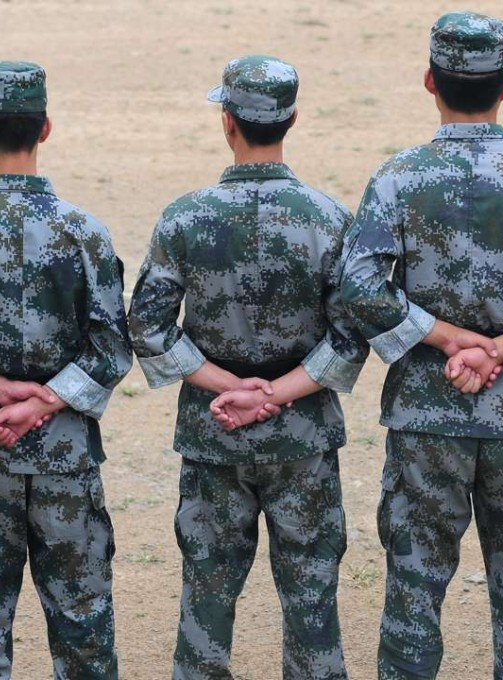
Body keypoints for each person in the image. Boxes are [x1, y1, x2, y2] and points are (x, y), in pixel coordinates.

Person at [340, 11, 503, 679]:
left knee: (413, 593)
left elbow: (360, 288)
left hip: (425, 416)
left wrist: (447, 338)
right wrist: (500, 349)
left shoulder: (398, 177)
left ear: (430, 81)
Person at [128, 55, 367, 680]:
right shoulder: (330, 219)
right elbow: (351, 336)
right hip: (304, 434)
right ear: (292, 119)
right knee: (312, 598)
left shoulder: (184, 216)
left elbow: (147, 326)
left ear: (227, 122)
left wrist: (229, 386)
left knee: (206, 597)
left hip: (214, 430)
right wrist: (276, 393)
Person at [0, 61, 132, 679]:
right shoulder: (85, 233)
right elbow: (112, 349)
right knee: (83, 634)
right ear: (45, 127)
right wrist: (44, 400)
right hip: (66, 459)